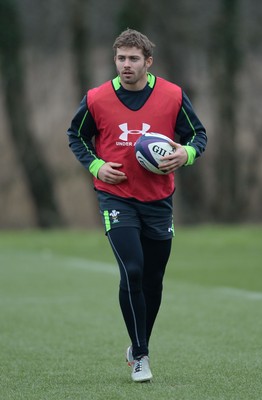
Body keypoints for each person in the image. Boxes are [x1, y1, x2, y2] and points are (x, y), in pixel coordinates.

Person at [67, 28, 207, 383]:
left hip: (159, 199)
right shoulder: (97, 98)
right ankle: (141, 353)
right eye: (120, 58)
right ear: (114, 60)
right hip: (116, 197)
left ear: (148, 62)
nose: (126, 65)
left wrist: (185, 154)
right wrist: (97, 165)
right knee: (132, 269)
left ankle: (138, 343)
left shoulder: (172, 95)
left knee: (153, 280)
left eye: (133, 59)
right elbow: (76, 135)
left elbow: (197, 135)